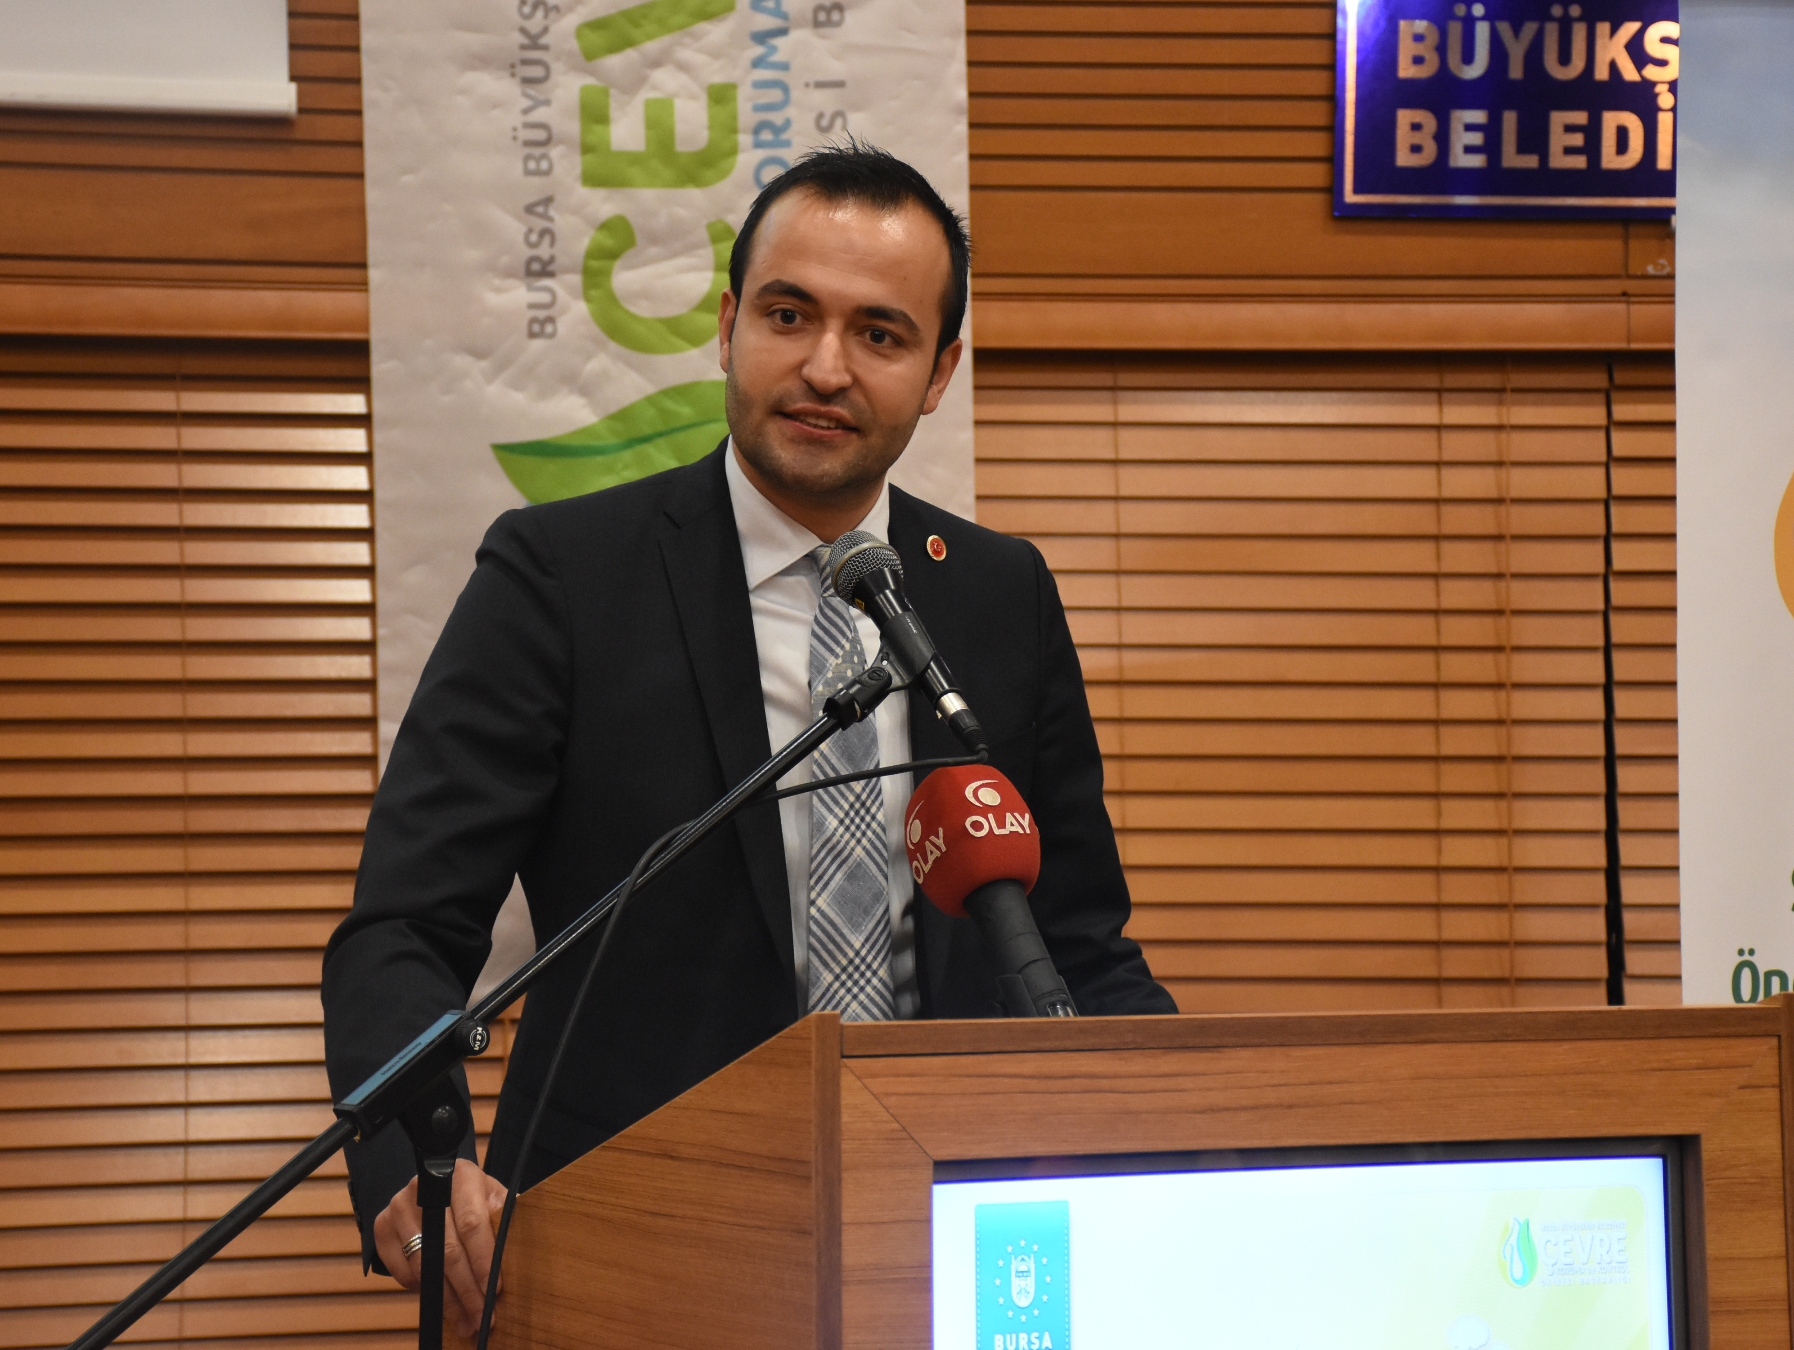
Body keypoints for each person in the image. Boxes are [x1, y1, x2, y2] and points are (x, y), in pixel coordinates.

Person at [321, 143, 1176, 1337]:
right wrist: (419, 1168)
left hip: (946, 1238)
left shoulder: (998, 593)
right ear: (727, 327)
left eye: (879, 334)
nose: (825, 367)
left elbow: (1074, 937)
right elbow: (407, 926)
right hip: (630, 1237)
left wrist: (1185, 1129)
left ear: (939, 371)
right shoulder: (563, 577)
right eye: (788, 315)